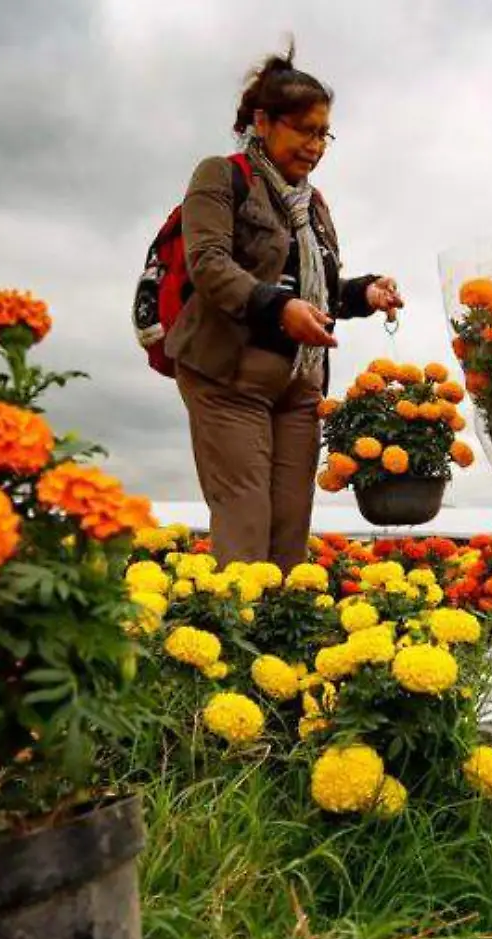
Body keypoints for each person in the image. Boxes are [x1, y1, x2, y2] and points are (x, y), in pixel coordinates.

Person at [170, 45, 405, 569]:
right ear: (262, 121)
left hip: (298, 386)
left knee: (291, 528)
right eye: (304, 129)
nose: (316, 145)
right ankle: (231, 646)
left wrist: (364, 293)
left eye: (324, 133)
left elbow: (316, 289)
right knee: (246, 522)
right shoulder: (220, 176)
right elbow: (209, 264)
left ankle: (278, 645)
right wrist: (278, 309)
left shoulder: (313, 204)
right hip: (229, 377)